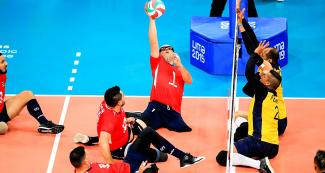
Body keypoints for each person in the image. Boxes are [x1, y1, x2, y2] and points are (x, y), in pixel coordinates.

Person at [216, 39, 282, 173]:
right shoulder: (272, 94)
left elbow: (248, 73)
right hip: (273, 145)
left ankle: (260, 165)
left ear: (267, 83)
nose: (261, 75)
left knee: (223, 156)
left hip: (260, 142)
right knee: (239, 122)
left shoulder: (262, 91)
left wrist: (255, 54)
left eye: (264, 76)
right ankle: (255, 155)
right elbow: (256, 112)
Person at [233, 7, 287, 141]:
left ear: (268, 59)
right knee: (241, 116)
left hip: (277, 123)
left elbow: (252, 50)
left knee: (239, 124)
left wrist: (240, 26)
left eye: (265, 51)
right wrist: (242, 21)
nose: (262, 50)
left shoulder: (268, 69)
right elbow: (254, 40)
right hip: (276, 117)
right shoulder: (268, 64)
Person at [141, 9, 193, 133]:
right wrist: (152, 20)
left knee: (185, 130)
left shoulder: (179, 69)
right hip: (157, 107)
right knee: (140, 126)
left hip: (173, 112)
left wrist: (179, 64)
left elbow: (189, 80)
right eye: (163, 49)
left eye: (169, 48)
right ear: (159, 54)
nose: (166, 49)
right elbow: (153, 42)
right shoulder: (157, 63)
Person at [0, 53, 64, 134]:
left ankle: (44, 123)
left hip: (2, 109)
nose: (6, 63)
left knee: (28, 94)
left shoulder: (2, 74)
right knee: (3, 128)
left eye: (5, 61)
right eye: (2, 62)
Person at [70, 146, 154, 173]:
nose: (89, 155)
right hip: (131, 171)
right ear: (84, 161)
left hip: (125, 164)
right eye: (87, 155)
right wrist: (139, 171)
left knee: (143, 145)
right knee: (152, 169)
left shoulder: (80, 168)